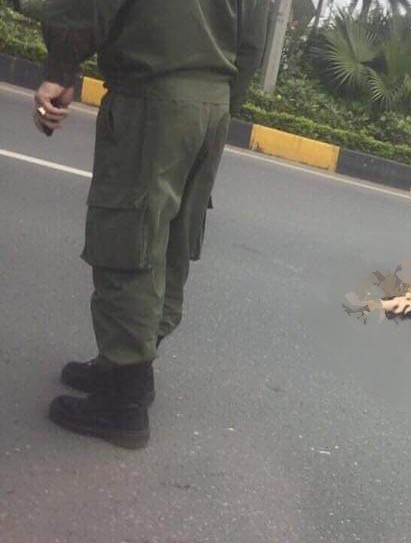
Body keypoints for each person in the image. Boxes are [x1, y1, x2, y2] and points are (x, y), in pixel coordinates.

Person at [13, 0, 271, 449]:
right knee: (168, 234)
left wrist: (61, 68)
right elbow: (254, 39)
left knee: (129, 234)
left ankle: (123, 401)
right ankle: (126, 369)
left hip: (153, 97)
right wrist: (220, 100)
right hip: (212, 103)